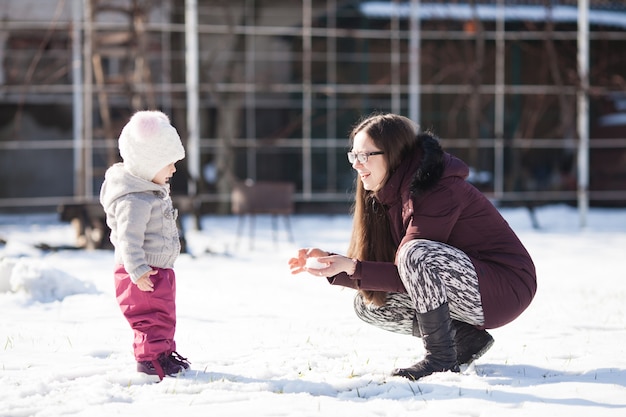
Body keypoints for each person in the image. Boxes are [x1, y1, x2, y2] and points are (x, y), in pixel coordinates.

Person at [288, 113, 537, 381]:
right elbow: (401, 276)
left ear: (393, 154)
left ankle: (440, 358)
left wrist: (352, 267)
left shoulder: (437, 189)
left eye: (365, 156)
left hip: (505, 286)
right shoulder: (384, 194)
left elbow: (412, 267)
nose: (357, 165)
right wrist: (332, 264)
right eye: (353, 156)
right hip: (467, 283)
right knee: (371, 304)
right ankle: (464, 341)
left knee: (414, 252)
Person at [100, 110, 190, 380]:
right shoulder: (134, 200)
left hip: (155, 270)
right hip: (141, 273)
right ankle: (150, 362)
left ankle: (163, 354)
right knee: (149, 318)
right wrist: (137, 269)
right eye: (168, 163)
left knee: (163, 316)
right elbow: (128, 238)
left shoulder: (149, 191)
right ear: (149, 164)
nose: (173, 169)